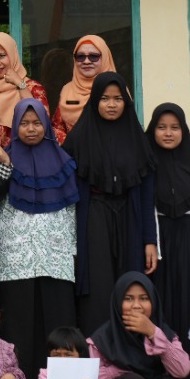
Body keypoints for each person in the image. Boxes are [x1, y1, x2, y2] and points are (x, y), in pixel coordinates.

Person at [0, 99, 78, 379]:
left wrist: (73, 251)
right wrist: (5, 166)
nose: (30, 128)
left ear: (46, 125)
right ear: (15, 126)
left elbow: (73, 210)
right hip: (16, 257)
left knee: (56, 322)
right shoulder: (4, 158)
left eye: (36, 123)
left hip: (56, 257)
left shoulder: (63, 161)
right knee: (18, 326)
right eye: (24, 123)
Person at [62, 73, 156, 334]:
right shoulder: (80, 138)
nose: (112, 104)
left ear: (126, 102)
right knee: (98, 283)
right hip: (94, 214)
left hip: (130, 217)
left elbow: (146, 193)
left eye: (118, 99)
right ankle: (98, 349)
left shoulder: (137, 139)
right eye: (104, 99)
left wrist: (150, 240)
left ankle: (131, 350)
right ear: (94, 101)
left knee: (130, 284)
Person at [145, 103, 190, 370]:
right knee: (159, 306)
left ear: (184, 131)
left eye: (175, 128)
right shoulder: (144, 169)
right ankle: (162, 375)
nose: (168, 133)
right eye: (161, 127)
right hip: (157, 247)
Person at [0, 32, 48, 148]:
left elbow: (42, 122)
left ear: (12, 55)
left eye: (1, 56)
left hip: (26, 157)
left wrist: (20, 84)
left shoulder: (33, 88)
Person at [52, 34, 115, 144]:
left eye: (93, 56)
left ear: (104, 58)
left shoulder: (116, 89)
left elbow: (124, 128)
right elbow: (57, 127)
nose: (86, 61)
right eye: (80, 57)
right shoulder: (67, 90)